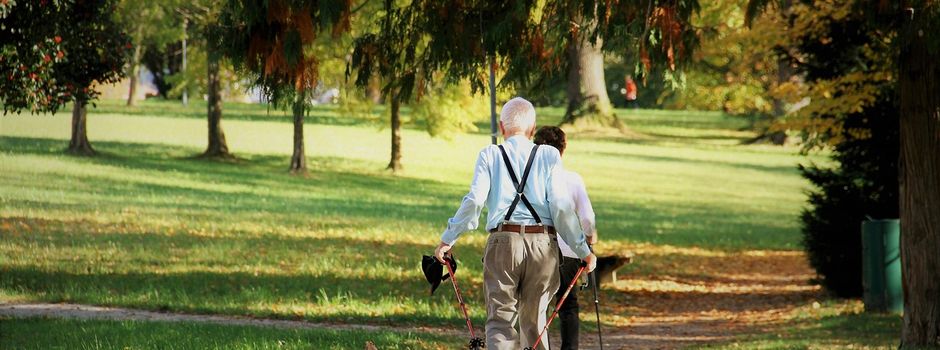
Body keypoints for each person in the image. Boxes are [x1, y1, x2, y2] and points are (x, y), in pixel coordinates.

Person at [434, 97, 597, 350]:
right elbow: (561, 208)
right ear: (533, 129)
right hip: (542, 244)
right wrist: (583, 251)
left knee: (500, 323)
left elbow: (475, 200)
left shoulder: (490, 154)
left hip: (503, 242)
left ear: (501, 127)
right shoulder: (549, 155)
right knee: (534, 322)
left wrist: (448, 239)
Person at [534, 126, 597, 350]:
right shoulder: (572, 179)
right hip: (569, 250)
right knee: (568, 305)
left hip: (537, 248)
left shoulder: (530, 180)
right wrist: (590, 238)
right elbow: (587, 217)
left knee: (537, 305)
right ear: (563, 149)